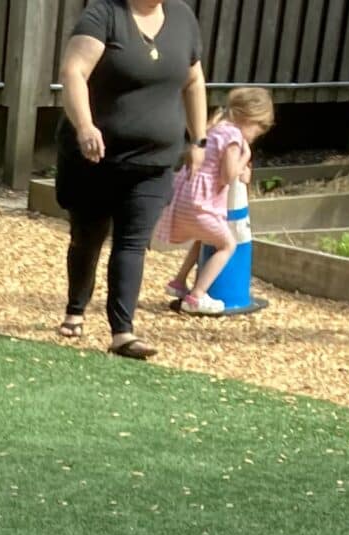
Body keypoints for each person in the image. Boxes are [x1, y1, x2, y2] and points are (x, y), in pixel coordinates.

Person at [56, 0, 208, 358]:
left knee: (132, 241)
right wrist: (85, 125)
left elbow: (193, 79)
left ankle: (122, 333)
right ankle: (76, 308)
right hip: (95, 155)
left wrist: (198, 139)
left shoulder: (182, 17)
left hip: (153, 161)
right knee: (87, 237)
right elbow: (73, 72)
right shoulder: (105, 14)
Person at [160, 83, 272, 311]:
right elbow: (228, 176)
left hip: (183, 201)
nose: (253, 138)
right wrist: (245, 159)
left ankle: (179, 282)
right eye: (256, 132)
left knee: (204, 238)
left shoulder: (215, 128)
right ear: (250, 118)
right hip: (199, 205)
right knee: (227, 245)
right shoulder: (233, 138)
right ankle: (197, 296)